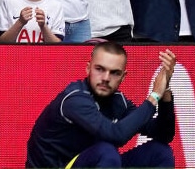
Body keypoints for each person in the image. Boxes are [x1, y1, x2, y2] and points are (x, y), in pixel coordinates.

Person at [25, 44, 178, 168]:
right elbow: (116, 135)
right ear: (88, 68)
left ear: (123, 77)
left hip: (92, 163)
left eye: (114, 73)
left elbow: (163, 134)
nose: (106, 78)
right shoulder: (75, 99)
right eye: (100, 69)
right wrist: (154, 96)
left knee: (160, 152)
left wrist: (165, 91)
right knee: (106, 152)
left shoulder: (118, 101)